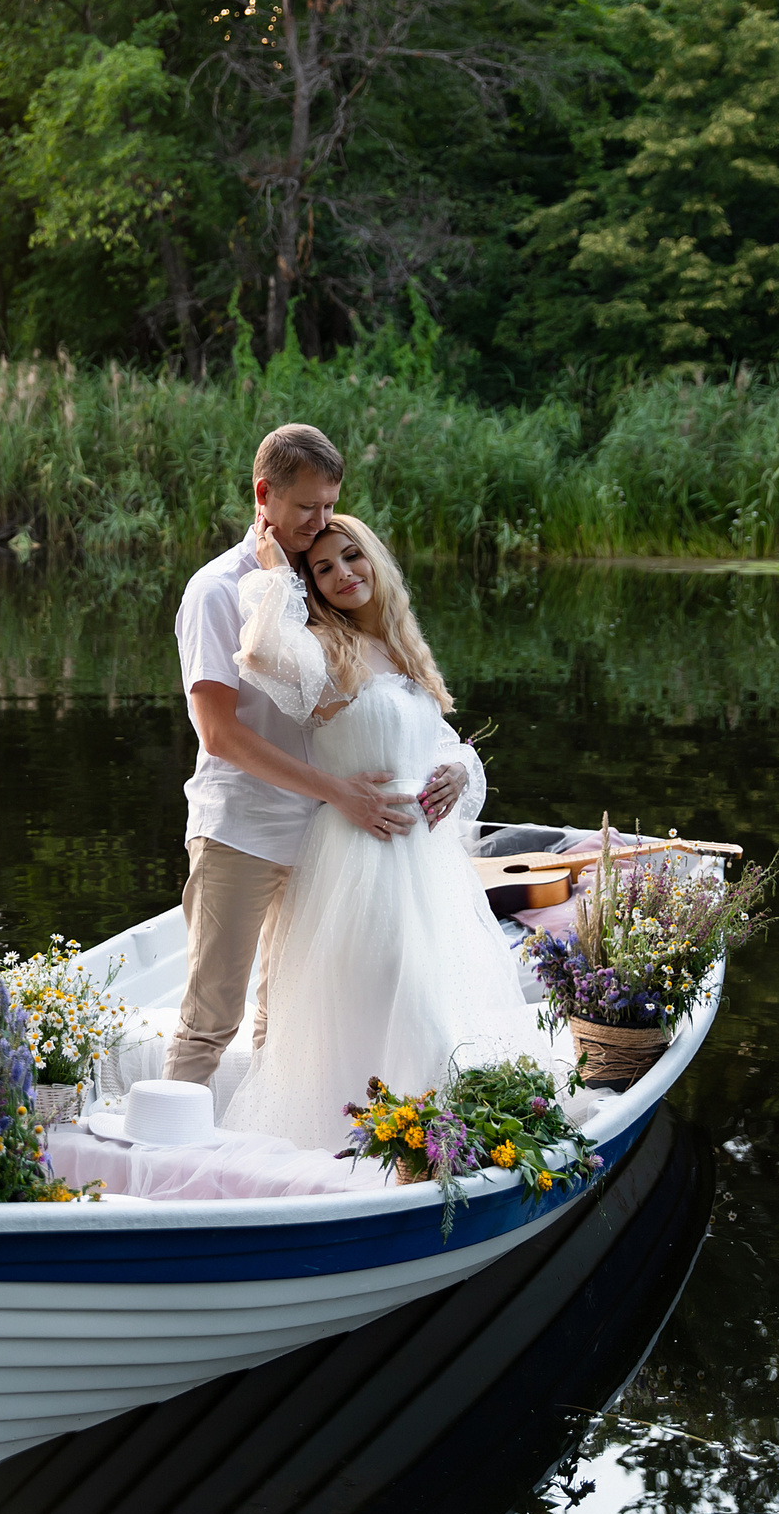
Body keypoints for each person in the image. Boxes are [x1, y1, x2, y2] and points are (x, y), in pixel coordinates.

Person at [218, 514, 550, 1150]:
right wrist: (272, 576)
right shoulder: (321, 648)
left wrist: (458, 769)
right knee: (395, 991)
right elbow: (260, 651)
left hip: (424, 863)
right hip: (359, 859)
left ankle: (435, 1137)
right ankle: (397, 1140)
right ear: (308, 586)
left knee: (435, 994)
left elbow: (442, 744)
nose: (343, 574)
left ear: (374, 559)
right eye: (322, 568)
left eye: (351, 557)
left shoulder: (401, 649)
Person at [169, 426, 470, 1085]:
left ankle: (276, 1150)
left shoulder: (315, 578)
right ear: (263, 495)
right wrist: (337, 790)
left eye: (331, 505)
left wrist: (453, 765)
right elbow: (219, 733)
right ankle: (165, 1164)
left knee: (289, 1017)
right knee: (211, 1014)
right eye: (307, 507)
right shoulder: (218, 591)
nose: (322, 522)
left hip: (325, 838)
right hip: (243, 830)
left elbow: (382, 703)